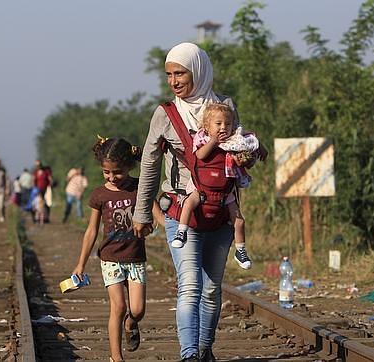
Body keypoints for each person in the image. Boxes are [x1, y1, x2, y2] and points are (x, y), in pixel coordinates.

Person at [133, 42, 266, 361]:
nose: (174, 81)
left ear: (199, 71)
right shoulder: (164, 115)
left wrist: (248, 154)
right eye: (168, 75)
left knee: (210, 288)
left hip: (221, 211)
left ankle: (205, 347)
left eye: (180, 73)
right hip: (182, 210)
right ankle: (189, 353)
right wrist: (142, 212)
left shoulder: (224, 106)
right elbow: (150, 163)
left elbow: (239, 149)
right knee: (190, 284)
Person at [72, 136, 163, 362]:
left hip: (135, 257)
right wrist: (80, 264)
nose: (112, 177)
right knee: (118, 306)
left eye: (118, 172)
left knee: (138, 310)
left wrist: (162, 227)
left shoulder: (140, 187)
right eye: (107, 172)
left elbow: (157, 215)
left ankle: (131, 324)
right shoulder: (99, 195)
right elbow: (91, 231)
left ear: (130, 166)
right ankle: (116, 357)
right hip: (110, 257)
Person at [171, 103, 258, 270]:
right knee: (188, 203)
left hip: (225, 193)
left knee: (239, 221)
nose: (223, 128)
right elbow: (200, 155)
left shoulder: (236, 142)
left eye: (228, 124)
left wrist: (245, 158)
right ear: (207, 126)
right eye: (218, 124)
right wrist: (213, 142)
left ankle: (240, 250)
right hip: (201, 189)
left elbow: (248, 156)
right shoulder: (203, 139)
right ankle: (181, 232)